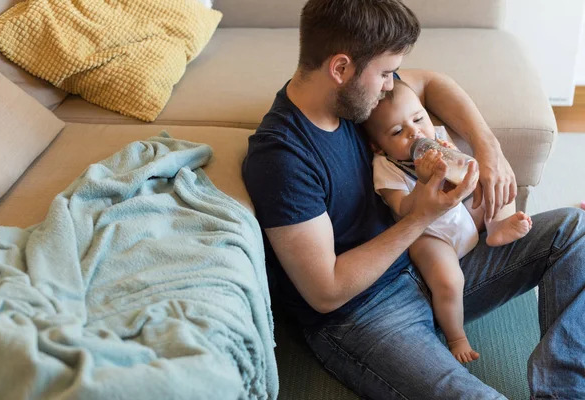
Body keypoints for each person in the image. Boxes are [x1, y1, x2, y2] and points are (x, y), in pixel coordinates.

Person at [242, 0, 585, 398]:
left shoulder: (358, 96)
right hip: (365, 313)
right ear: (340, 68)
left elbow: (433, 83)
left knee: (575, 231)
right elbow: (325, 291)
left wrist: (488, 148)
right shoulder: (283, 157)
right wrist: (419, 218)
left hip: (433, 264)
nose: (392, 84)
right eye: (386, 73)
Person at [362, 79, 533, 363]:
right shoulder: (385, 167)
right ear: (378, 147)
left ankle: (497, 227)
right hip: (429, 234)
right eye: (398, 132)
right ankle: (456, 336)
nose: (415, 132)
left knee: (495, 183)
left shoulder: (439, 138)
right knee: (448, 280)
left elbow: (467, 181)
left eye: (418, 119)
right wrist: (425, 181)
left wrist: (458, 162)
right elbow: (405, 209)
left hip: (463, 213)